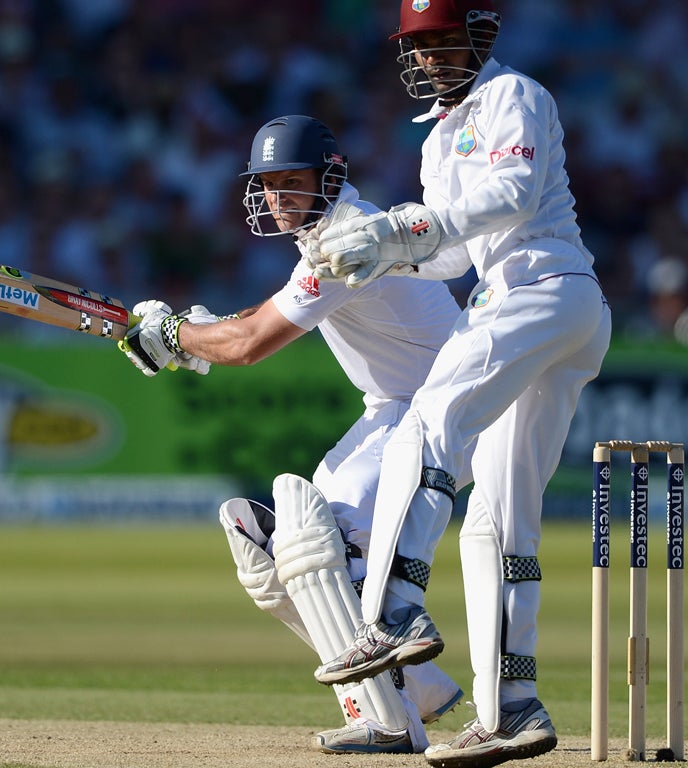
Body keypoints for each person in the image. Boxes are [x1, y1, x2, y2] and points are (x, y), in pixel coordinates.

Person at [303, 2, 613, 767]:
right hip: (540, 305)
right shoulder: (439, 137)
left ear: (482, 36)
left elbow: (508, 194)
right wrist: (385, 252)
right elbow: (449, 252)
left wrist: (400, 228)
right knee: (499, 521)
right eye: (419, 45)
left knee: (426, 425)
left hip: (539, 288)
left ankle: (397, 608)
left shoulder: (515, 95)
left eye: (444, 40)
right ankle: (513, 707)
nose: (432, 56)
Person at [120, 114, 465, 754]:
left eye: (290, 182)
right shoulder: (329, 236)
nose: (277, 197)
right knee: (274, 550)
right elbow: (263, 314)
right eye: (268, 183)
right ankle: (413, 688)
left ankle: (391, 720)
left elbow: (251, 345)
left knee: (312, 542)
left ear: (329, 178)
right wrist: (197, 336)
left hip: (440, 410)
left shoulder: (346, 239)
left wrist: (176, 337)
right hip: (394, 409)